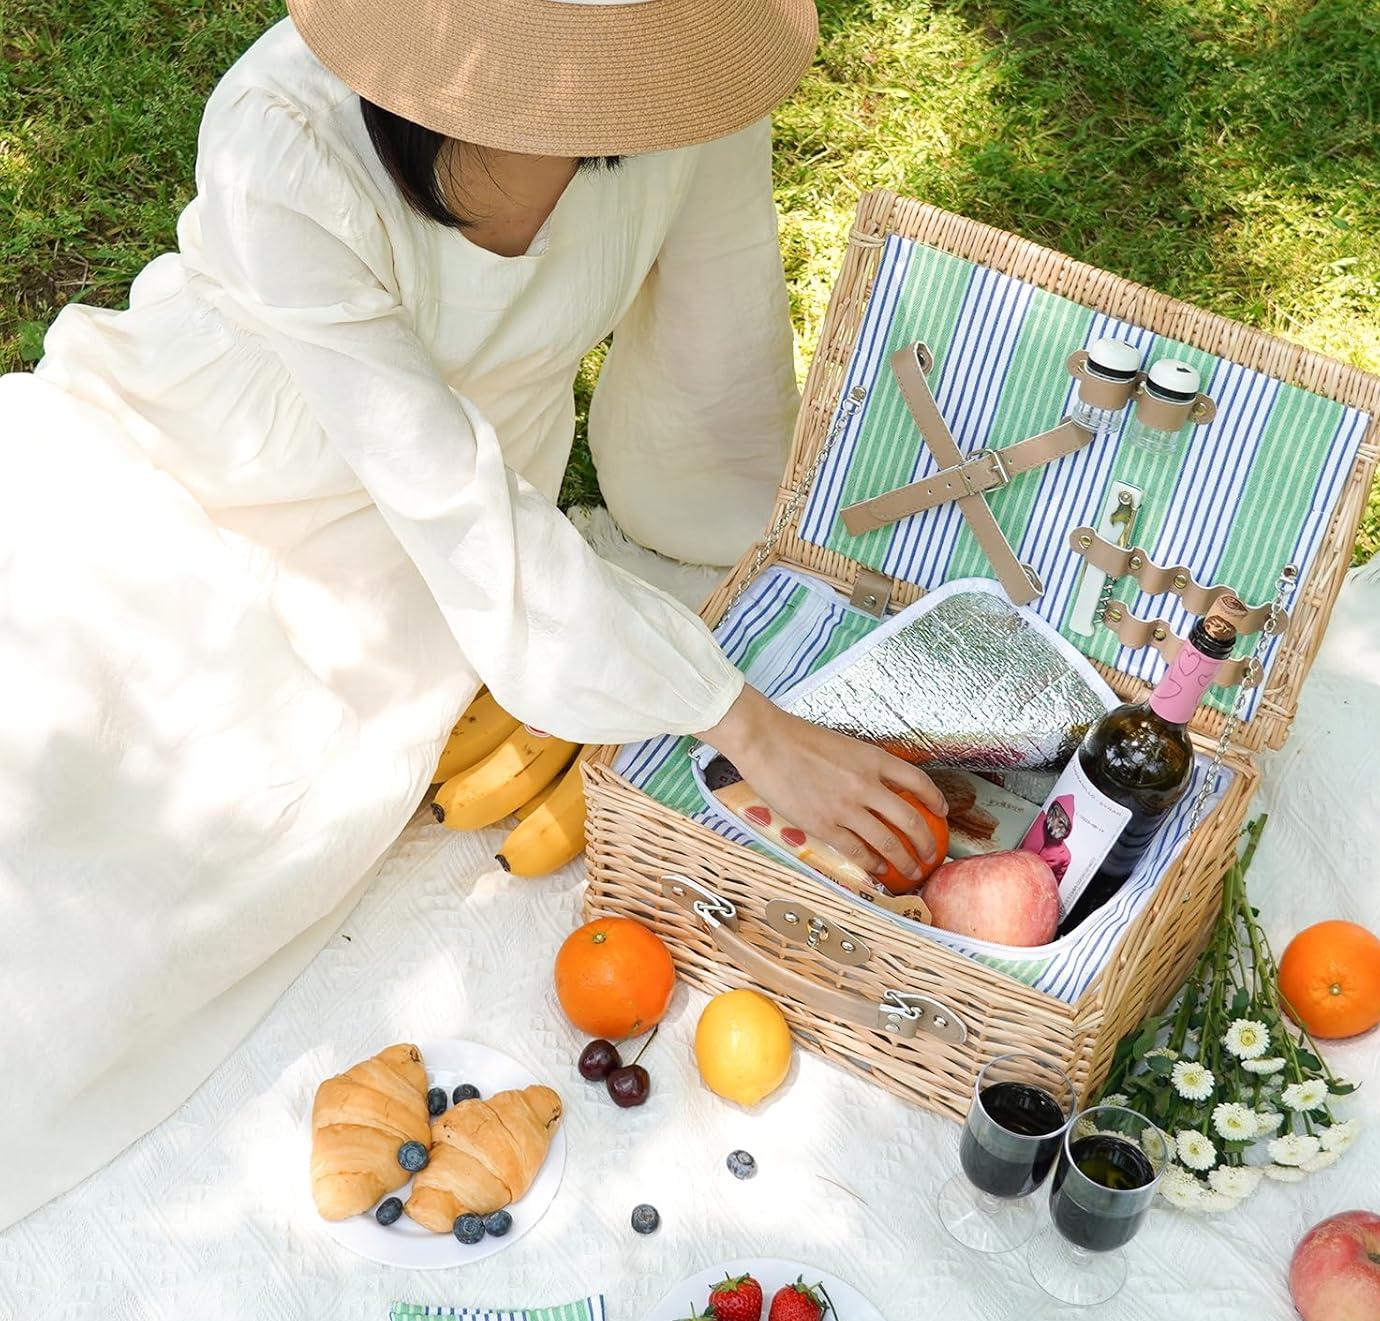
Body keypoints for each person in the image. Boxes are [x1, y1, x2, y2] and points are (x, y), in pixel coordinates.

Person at [0, 0, 944, 1226]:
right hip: (188, 473)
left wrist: (764, 571)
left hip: (408, 569)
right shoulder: (283, 131)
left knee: (170, 860)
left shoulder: (678, 83)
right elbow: (450, 502)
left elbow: (713, 380)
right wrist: (741, 722)